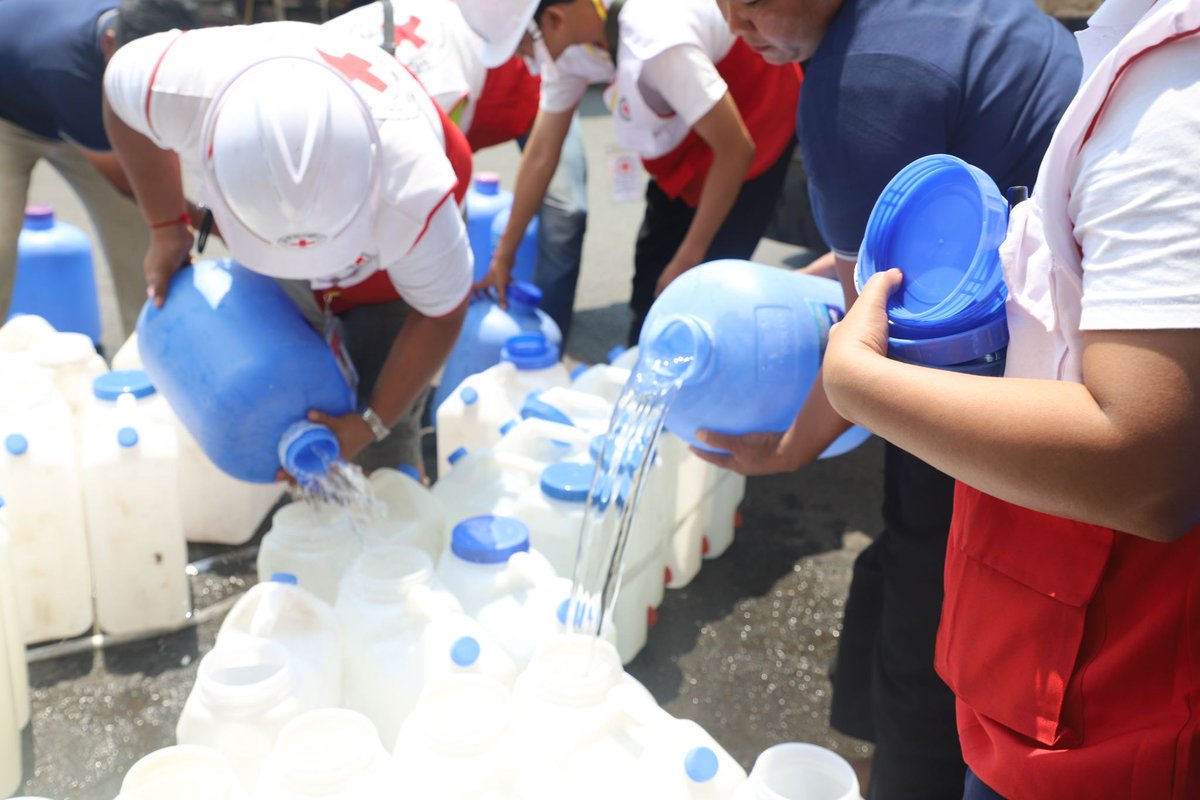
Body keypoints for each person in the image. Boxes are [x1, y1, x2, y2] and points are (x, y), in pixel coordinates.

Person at [817, 0, 1200, 796]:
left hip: (1105, 718)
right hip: (1051, 668)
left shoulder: (1172, 109)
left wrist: (859, 386)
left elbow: (1145, 464)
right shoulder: (1124, 46)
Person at [706, 1, 1081, 797]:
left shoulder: (854, 81)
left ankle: (908, 778)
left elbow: (859, 336)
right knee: (905, 555)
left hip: (1013, 375)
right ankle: (890, 750)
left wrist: (786, 449)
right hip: (1042, 316)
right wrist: (796, 281)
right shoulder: (925, 15)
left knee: (932, 602)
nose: (736, 25)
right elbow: (871, 258)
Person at [102, 20, 473, 476]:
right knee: (291, 389)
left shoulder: (415, 199)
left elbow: (441, 312)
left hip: (390, 268)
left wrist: (369, 424)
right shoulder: (175, 87)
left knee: (384, 421)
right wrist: (166, 227)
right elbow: (118, 104)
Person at [458, 0, 802, 345]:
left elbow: (735, 149)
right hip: (685, 142)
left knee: (701, 295)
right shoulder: (569, 39)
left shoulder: (656, 36)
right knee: (650, 284)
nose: (528, 62)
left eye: (524, 46)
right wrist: (503, 256)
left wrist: (689, 257)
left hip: (756, 123)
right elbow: (542, 152)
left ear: (553, 19)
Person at [323, 0, 589, 341]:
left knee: (566, 212)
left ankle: (541, 337)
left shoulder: (426, 93)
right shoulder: (313, 57)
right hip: (469, 94)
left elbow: (436, 204)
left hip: (542, 81)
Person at [0, 0, 198, 351]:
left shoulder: (140, 29)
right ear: (109, 42)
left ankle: (151, 358)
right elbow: (127, 180)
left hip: (68, 104)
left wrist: (171, 226)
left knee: (146, 231)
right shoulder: (69, 66)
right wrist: (194, 218)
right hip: (9, 111)